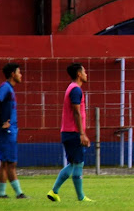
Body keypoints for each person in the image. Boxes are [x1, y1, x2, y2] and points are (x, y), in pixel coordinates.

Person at [48, 63, 93, 202]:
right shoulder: (76, 90)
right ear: (79, 74)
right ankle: (80, 197)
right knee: (78, 163)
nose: (86, 74)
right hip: (73, 132)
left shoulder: (71, 88)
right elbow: (76, 112)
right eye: (84, 71)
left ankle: (54, 191)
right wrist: (82, 133)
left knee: (73, 164)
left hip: (68, 132)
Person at [0, 62, 28, 199]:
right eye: (19, 72)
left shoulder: (10, 89)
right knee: (10, 162)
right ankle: (18, 193)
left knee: (6, 162)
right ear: (13, 74)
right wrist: (2, 122)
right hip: (6, 132)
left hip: (10, 130)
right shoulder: (5, 87)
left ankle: (2, 193)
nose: (21, 75)